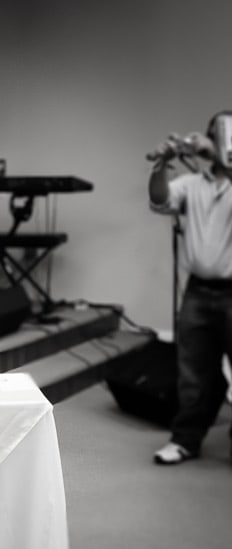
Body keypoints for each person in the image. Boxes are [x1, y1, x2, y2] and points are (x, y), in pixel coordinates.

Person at [148, 111, 232, 465]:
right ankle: (185, 439)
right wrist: (161, 165)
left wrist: (221, 158)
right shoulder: (192, 183)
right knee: (194, 373)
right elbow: (159, 200)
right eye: (218, 134)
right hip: (198, 292)